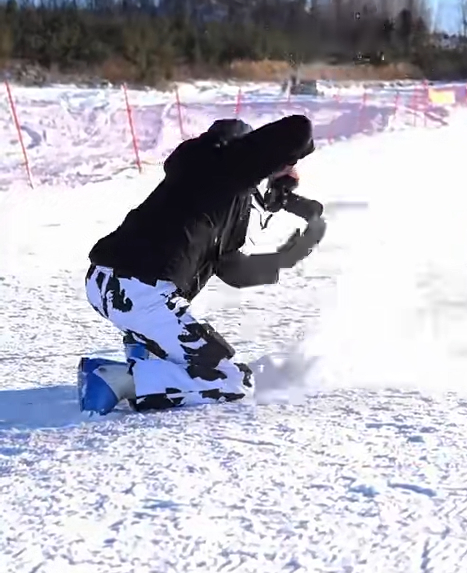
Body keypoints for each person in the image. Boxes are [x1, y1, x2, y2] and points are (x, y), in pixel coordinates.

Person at [80, 113, 326, 413]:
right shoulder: (226, 163)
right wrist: (284, 168)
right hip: (142, 294)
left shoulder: (214, 192)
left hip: (107, 283)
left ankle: (145, 354)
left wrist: (290, 256)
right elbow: (299, 129)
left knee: (185, 341)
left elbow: (234, 270)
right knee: (232, 380)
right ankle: (119, 380)